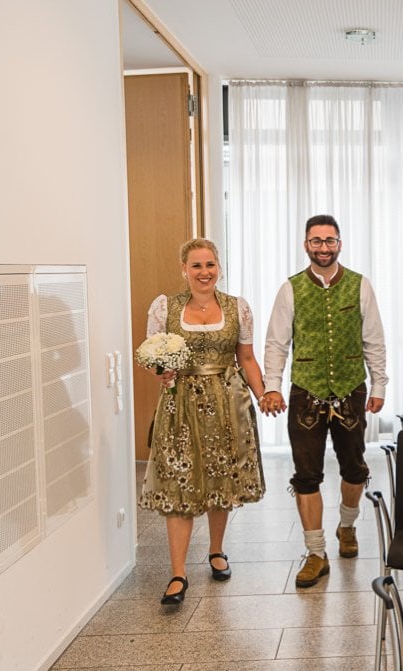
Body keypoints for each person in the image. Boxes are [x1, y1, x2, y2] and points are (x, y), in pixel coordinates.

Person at [260, 214, 388, 588]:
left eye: (330, 240)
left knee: (354, 468)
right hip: (305, 392)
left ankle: (346, 526)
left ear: (340, 244)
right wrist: (272, 386)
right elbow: (276, 342)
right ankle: (315, 553)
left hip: (351, 389)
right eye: (316, 241)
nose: (323, 247)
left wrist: (379, 385)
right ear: (306, 245)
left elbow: (374, 339)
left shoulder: (361, 285)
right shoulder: (291, 289)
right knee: (306, 475)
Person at [139, 238, 267, 605]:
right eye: (196, 266)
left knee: (220, 478)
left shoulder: (237, 308)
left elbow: (247, 358)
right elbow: (154, 357)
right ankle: (178, 574)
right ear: (184, 269)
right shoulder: (165, 308)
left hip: (227, 402)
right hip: (180, 405)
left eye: (210, 265)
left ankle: (216, 550)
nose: (204, 272)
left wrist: (265, 394)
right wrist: (161, 371)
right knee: (178, 481)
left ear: (219, 268)